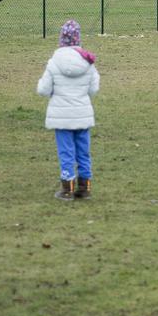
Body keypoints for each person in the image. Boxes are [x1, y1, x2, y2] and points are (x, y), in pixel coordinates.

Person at [37, 20, 100, 200]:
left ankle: (67, 189)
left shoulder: (53, 63)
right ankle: (84, 187)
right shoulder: (88, 63)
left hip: (61, 117)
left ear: (61, 39)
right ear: (78, 38)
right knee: (83, 151)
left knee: (66, 151)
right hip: (82, 115)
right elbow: (93, 89)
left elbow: (43, 89)